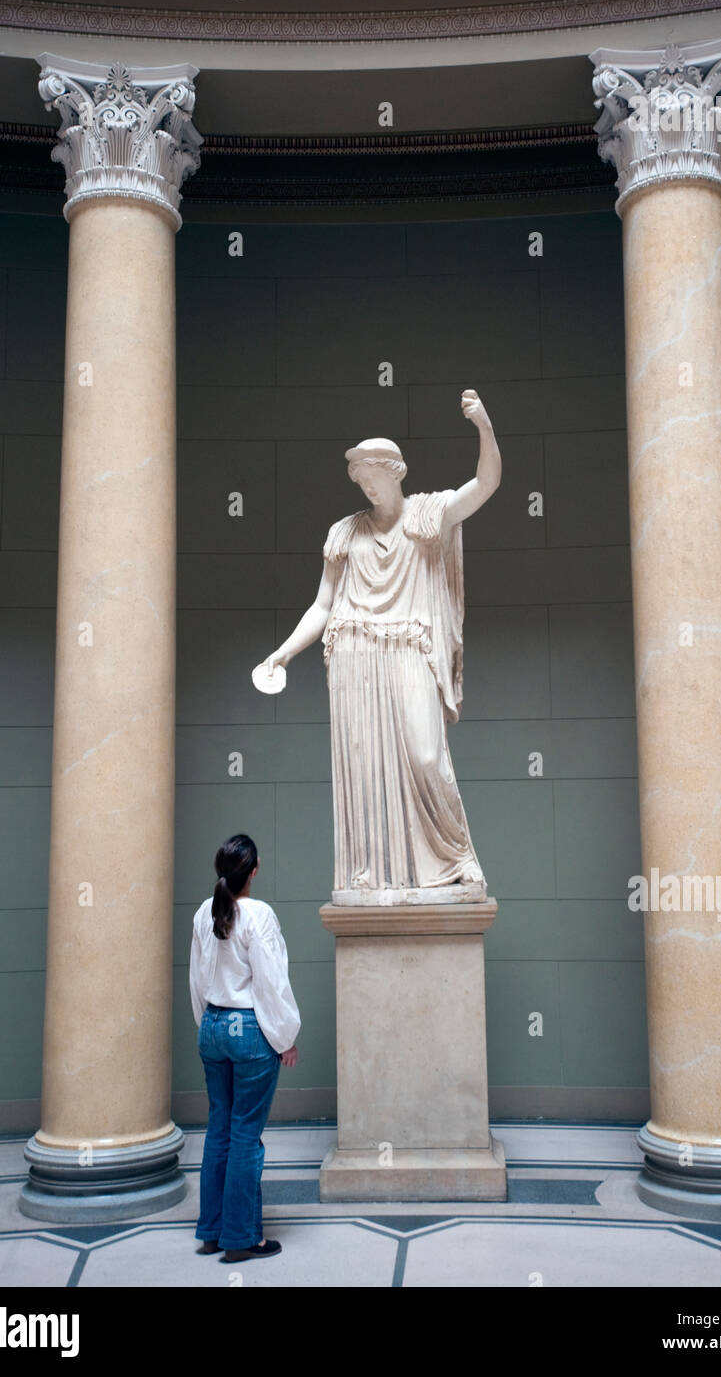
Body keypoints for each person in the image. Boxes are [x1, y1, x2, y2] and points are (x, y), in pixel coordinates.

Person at [257, 389, 501, 900]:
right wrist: (283, 651)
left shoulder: (428, 515)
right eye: (361, 483)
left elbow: (485, 484)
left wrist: (483, 426)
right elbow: (322, 605)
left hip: (410, 648)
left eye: (373, 480)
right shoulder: (345, 533)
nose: (368, 490)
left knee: (426, 754)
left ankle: (456, 859)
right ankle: (367, 871)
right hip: (352, 655)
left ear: (395, 473)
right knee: (363, 766)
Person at [189, 833, 300, 1263]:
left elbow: (198, 979)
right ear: (254, 871)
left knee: (219, 1130)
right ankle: (243, 1237)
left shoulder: (205, 911)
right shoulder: (258, 914)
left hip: (213, 1026)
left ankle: (212, 1232)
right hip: (249, 1030)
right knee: (245, 1137)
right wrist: (285, 1036)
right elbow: (271, 981)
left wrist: (209, 1026)